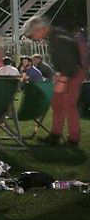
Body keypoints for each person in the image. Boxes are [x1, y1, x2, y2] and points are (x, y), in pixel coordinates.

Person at [23, 16, 83, 145]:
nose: (33, 39)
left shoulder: (59, 38)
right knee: (57, 104)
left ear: (40, 29)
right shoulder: (54, 37)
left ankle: (73, 138)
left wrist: (63, 80)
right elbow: (61, 59)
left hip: (72, 73)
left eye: (32, 36)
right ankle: (55, 135)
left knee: (69, 105)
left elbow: (70, 61)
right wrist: (58, 74)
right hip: (64, 73)